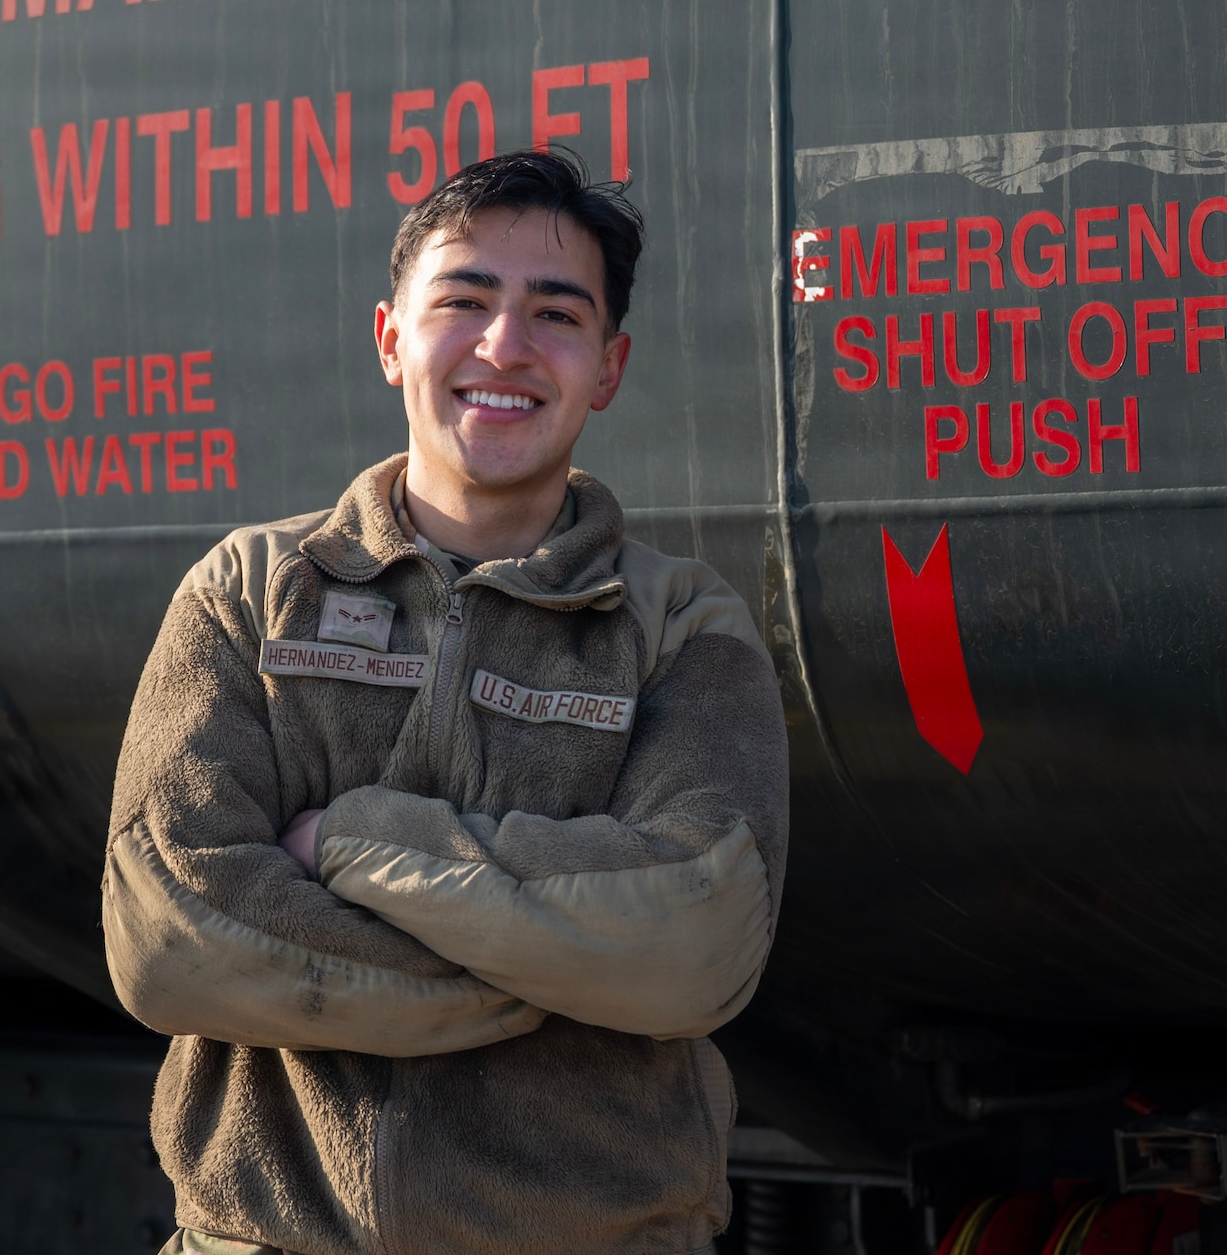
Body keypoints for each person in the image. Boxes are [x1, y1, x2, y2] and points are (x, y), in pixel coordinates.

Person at [103, 149, 789, 1255]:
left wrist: (351, 841)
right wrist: (555, 964)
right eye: (462, 301)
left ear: (605, 368)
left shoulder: (680, 633)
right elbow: (168, 933)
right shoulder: (245, 592)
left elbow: (690, 943)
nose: (503, 348)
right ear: (389, 339)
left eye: (554, 316)